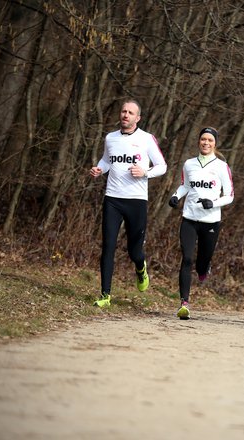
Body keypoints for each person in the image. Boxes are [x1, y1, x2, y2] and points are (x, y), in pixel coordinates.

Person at [89, 98, 167, 307]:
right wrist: (99, 169)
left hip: (136, 200)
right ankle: (105, 294)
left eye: (130, 113)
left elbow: (162, 166)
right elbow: (107, 160)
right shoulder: (110, 138)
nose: (125, 115)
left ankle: (141, 268)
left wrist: (145, 172)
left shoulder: (147, 139)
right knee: (108, 246)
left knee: (134, 251)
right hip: (113, 198)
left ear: (138, 118)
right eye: (123, 111)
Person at [168, 127, 234, 320]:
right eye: (203, 139)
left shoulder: (222, 166)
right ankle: (184, 303)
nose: (206, 143)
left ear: (215, 144)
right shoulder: (189, 164)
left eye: (210, 140)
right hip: (189, 219)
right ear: (199, 141)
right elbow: (185, 185)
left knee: (202, 263)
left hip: (211, 221)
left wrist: (212, 203)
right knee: (187, 259)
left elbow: (229, 195)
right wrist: (175, 196)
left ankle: (204, 268)